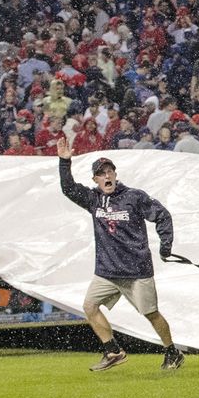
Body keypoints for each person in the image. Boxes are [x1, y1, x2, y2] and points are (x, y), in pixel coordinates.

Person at [57, 136, 184, 372]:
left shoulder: (134, 197)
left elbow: (163, 215)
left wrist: (165, 246)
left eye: (110, 172)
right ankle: (113, 350)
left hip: (136, 270)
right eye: (101, 174)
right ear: (95, 180)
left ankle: (172, 352)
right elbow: (68, 188)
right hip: (107, 271)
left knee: (151, 314)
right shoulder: (93, 199)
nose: (107, 176)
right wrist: (65, 163)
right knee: (89, 306)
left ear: (115, 174)